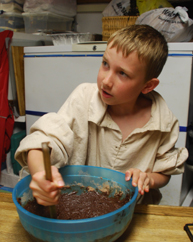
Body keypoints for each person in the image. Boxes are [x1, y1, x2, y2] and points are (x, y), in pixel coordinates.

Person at [15, 24, 188, 206]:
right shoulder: (83, 98)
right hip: (77, 203)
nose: (106, 81)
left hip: (133, 212)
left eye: (122, 73)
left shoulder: (164, 122)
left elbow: (164, 172)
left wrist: (148, 179)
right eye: (105, 64)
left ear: (147, 86)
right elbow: (43, 141)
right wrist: (40, 174)